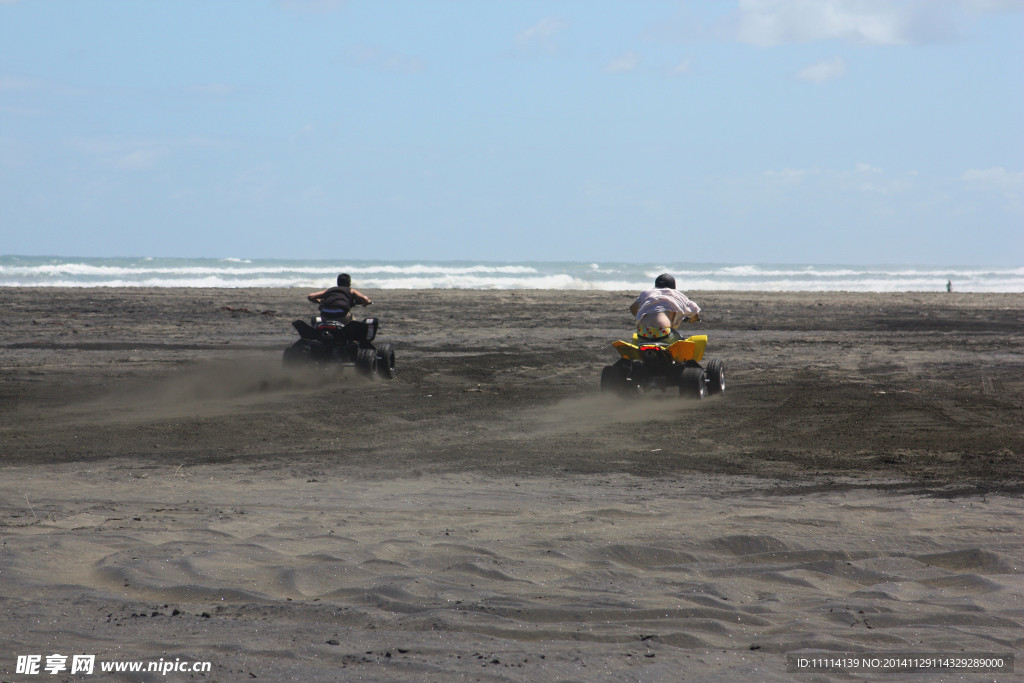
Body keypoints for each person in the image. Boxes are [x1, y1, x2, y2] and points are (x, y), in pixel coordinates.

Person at [629, 273, 701, 341]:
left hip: (643, 331)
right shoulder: (677, 295)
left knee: (641, 343)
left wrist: (640, 317)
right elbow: (695, 310)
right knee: (681, 342)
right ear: (673, 286)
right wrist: (693, 319)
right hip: (662, 332)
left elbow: (633, 308)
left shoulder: (647, 293)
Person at [307, 273, 372, 322]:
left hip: (325, 315)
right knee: (353, 322)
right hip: (341, 315)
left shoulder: (330, 290)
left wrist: (320, 301)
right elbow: (364, 299)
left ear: (338, 283)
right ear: (349, 283)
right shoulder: (351, 290)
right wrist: (367, 302)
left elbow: (311, 296)